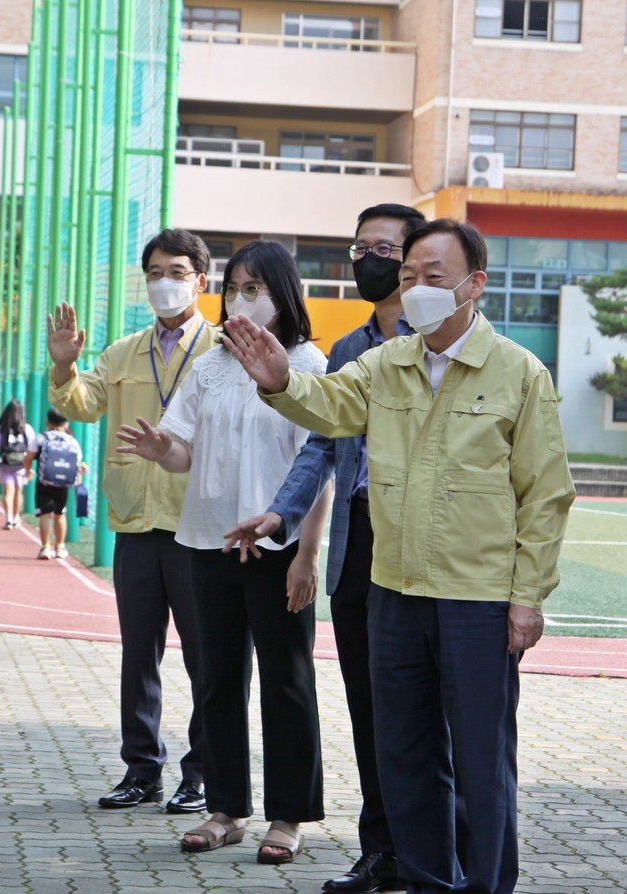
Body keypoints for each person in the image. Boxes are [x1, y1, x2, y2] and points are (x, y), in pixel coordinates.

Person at [222, 219, 575, 893]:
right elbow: (329, 407)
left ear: (475, 285)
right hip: (395, 594)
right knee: (406, 759)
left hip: (478, 599)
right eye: (408, 276)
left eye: (432, 277)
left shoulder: (519, 374)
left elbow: (546, 495)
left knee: (480, 760)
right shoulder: (388, 364)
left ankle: (488, 885)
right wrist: (280, 383)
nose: (415, 289)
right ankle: (423, 882)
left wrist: (527, 598)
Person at [223, 202, 424, 894]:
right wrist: (280, 516)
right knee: (369, 705)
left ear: (418, 258)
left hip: (430, 539)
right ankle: (381, 851)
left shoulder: (453, 347)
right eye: (360, 246)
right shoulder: (348, 351)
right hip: (362, 539)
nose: (369, 258)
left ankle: (437, 852)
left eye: (385, 247)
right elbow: (322, 449)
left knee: (429, 711)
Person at [117, 240, 331, 864]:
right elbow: (183, 448)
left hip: (275, 547)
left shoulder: (308, 366)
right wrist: (162, 449)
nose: (241, 299)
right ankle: (226, 810)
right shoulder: (208, 367)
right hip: (206, 543)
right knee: (216, 681)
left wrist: (305, 556)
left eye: (254, 288)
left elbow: (320, 470)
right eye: (234, 288)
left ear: (284, 295)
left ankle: (288, 816)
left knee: (287, 684)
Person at [46, 228, 217, 815]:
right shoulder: (121, 353)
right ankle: (141, 770)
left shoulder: (223, 350)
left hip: (200, 525)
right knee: (138, 654)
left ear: (202, 280)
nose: (163, 282)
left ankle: (203, 773)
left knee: (206, 659)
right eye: (153, 273)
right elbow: (81, 404)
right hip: (136, 524)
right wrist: (64, 368)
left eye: (175, 271)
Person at [22, 406, 84, 560]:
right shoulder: (72, 441)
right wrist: (79, 483)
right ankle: (61, 547)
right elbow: (79, 464)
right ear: (66, 423)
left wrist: (28, 471)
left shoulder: (42, 438)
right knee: (60, 514)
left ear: (48, 422)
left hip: (44, 482)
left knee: (45, 514)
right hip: (63, 483)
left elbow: (28, 457)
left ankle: (45, 548)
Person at [0, 399, 35, 530]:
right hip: (21, 464)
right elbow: (32, 446)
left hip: (6, 464)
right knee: (18, 491)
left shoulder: (2, 428)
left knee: (8, 492)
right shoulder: (27, 428)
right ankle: (16, 517)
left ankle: (8, 518)